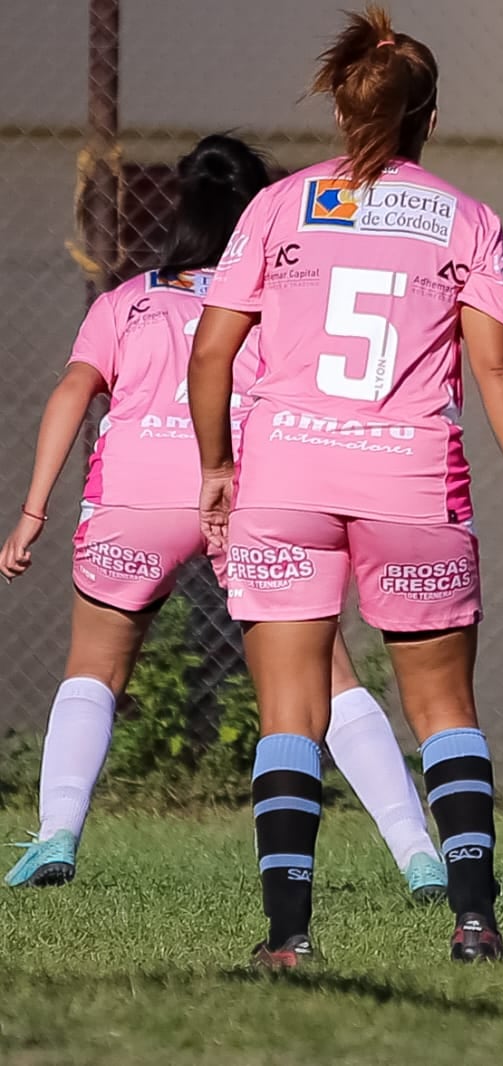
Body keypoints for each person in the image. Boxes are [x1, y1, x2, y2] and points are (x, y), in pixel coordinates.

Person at [187, 6, 503, 968]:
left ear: (343, 110)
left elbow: (213, 348)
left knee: (290, 713)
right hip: (413, 487)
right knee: (443, 711)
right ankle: (474, 921)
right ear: (427, 117)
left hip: (286, 480)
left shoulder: (276, 207)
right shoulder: (469, 218)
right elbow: (499, 369)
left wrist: (218, 467)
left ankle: (288, 937)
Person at [0, 134, 447, 901]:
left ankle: (56, 835)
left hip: (132, 503)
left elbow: (73, 391)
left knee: (95, 669)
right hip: (243, 497)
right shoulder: (273, 301)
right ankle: (420, 855)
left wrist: (33, 510)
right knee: (328, 676)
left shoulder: (126, 300)